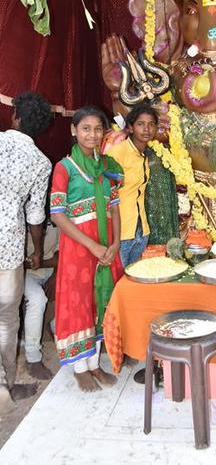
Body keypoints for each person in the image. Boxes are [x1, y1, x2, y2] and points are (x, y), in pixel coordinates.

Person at [50, 106, 124, 393]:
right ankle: (79, 368)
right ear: (73, 130)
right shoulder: (65, 168)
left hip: (106, 249)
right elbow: (58, 214)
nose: (92, 134)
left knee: (99, 303)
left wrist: (115, 243)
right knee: (78, 303)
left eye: (97, 129)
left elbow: (114, 208)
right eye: (85, 128)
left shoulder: (108, 167)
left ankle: (94, 364)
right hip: (79, 249)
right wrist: (93, 245)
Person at [0, 91, 52, 414]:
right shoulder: (41, 162)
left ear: (15, 115)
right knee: (6, 318)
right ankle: (4, 387)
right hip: (9, 244)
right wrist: (35, 250)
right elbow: (36, 217)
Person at [105, 103, 157, 268]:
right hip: (120, 232)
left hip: (141, 231)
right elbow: (104, 192)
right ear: (131, 127)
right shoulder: (117, 153)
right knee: (117, 283)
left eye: (151, 124)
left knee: (133, 282)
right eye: (141, 124)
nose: (146, 129)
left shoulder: (144, 156)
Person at [23, 221, 59, 380]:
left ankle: (56, 327)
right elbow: (17, 264)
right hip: (24, 274)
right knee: (38, 299)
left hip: (51, 270)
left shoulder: (56, 214)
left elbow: (63, 253)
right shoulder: (17, 217)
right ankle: (33, 358)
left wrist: (55, 275)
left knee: (74, 287)